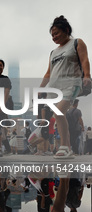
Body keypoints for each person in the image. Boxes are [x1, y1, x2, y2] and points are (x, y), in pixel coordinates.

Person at [39, 15, 91, 159]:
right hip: (55, 88)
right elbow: (48, 73)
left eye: (56, 33)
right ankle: (67, 149)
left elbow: (85, 59)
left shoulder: (77, 42)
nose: (53, 37)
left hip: (72, 84)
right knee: (59, 116)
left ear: (66, 30)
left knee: (59, 111)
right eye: (52, 35)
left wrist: (87, 75)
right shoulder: (53, 52)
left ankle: (64, 146)